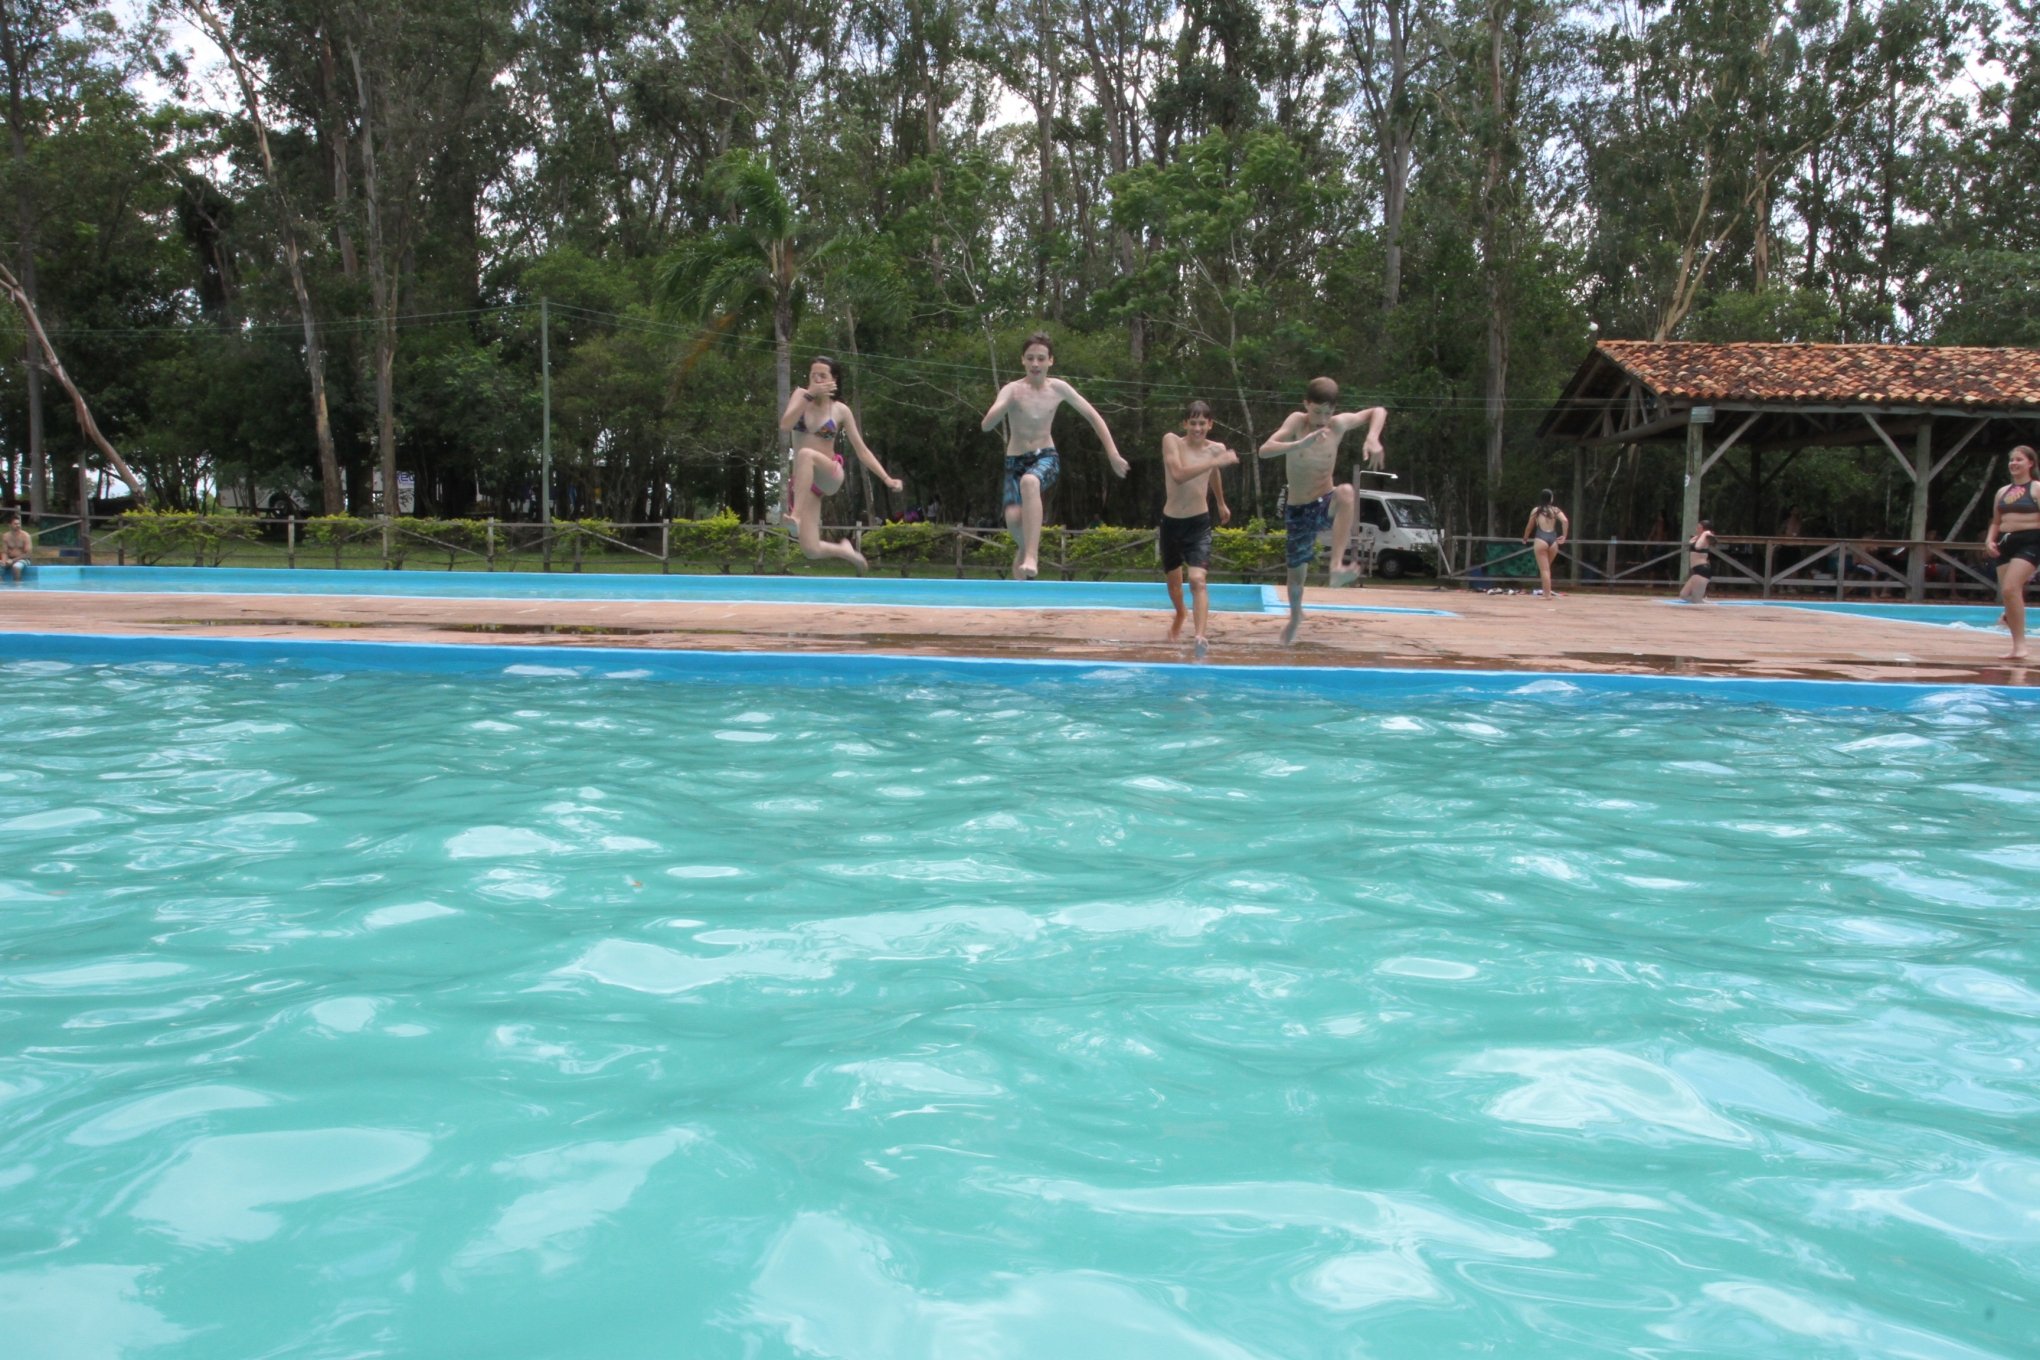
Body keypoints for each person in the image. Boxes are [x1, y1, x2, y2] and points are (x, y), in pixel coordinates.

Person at [980, 331, 1129, 580]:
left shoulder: (1059, 389)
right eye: (1030, 358)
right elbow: (986, 425)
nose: (1035, 364)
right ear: (1023, 361)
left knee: (1031, 482)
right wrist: (1004, 405)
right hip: (1014, 462)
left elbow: (1093, 416)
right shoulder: (1012, 390)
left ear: (1051, 361)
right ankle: (1024, 563)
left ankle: (1032, 556)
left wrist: (1112, 453)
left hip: (1045, 457)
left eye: (1041, 358)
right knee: (1014, 519)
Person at [1257, 376, 1387, 644]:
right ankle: (1295, 617)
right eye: (1317, 412)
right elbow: (1264, 450)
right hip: (1297, 510)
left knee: (1347, 492)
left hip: (1324, 502)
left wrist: (1373, 437)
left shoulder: (1337, 425)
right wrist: (1299, 444)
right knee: (1296, 578)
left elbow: (1378, 410)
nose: (1322, 419)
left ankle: (1336, 566)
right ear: (1306, 404)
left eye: (1327, 413)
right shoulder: (1296, 422)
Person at [777, 356, 903, 573]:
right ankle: (845, 550)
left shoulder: (840, 410)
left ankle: (795, 516)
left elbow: (861, 450)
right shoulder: (800, 395)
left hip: (830, 474)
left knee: (806, 454)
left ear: (833, 380)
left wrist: (886, 478)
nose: (816, 379)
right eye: (812, 375)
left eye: (822, 376)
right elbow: (785, 425)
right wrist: (809, 395)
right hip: (806, 486)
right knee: (811, 550)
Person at [1159, 400, 1237, 656]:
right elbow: (1179, 474)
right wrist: (1216, 460)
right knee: (1174, 587)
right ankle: (1181, 613)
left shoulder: (1217, 449)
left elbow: (1214, 473)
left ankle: (1200, 637)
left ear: (1210, 424)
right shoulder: (1172, 441)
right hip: (1171, 523)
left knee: (1197, 580)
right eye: (1192, 423)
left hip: (1198, 523)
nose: (1197, 428)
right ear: (1184, 424)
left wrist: (1221, 503)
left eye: (1202, 423)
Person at [1985, 443, 2040, 661]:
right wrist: (1989, 541)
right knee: (2008, 594)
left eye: (2019, 459)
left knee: (2010, 587)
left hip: (2032, 540)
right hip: (2006, 543)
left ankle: (2021, 647)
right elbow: (1996, 522)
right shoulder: (2002, 492)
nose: (2014, 463)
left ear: (2030, 463)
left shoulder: (2036, 488)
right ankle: (2015, 644)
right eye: (2011, 460)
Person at [1520, 489, 1569, 599]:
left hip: (1541, 539)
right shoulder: (1555, 510)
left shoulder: (1536, 511)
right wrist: (1564, 536)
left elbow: (1529, 526)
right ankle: (1545, 592)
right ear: (1551, 498)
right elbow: (1565, 521)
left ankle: (1546, 594)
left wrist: (1525, 538)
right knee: (1547, 569)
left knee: (1544, 570)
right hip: (1553, 540)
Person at [1679, 518, 1717, 603]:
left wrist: (1705, 533)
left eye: (1699, 527)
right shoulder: (1699, 537)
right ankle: (1706, 602)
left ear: (1705, 529)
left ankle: (1709, 607)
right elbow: (1691, 542)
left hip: (1703, 570)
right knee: (1683, 595)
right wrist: (1701, 534)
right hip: (1696, 571)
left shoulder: (1706, 537)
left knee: (1697, 600)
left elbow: (1698, 546)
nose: (1697, 529)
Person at [3, 514, 31, 582]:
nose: (18, 525)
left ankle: (17, 587)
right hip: (9, 559)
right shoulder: (6, 536)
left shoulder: (25, 536)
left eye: (19, 524)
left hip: (23, 559)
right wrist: (4, 561)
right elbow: (4, 552)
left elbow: (27, 554)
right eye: (15, 524)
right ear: (10, 525)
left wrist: (13, 560)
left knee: (16, 567)